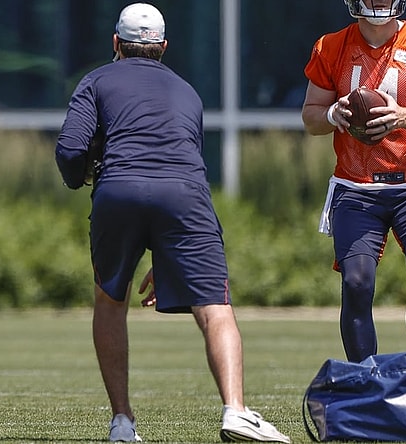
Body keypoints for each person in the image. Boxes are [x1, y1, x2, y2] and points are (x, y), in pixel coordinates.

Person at [55, 4, 291, 443]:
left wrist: (80, 178)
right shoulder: (187, 90)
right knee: (216, 308)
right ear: (163, 47)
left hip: (118, 191)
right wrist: (167, 259)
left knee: (110, 301)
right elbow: (182, 162)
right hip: (185, 195)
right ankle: (235, 410)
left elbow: (70, 151)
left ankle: (123, 423)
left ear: (115, 44)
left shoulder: (96, 80)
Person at [301, 0, 406, 363]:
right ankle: (366, 384)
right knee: (356, 281)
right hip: (356, 186)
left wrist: (402, 116)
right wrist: (333, 113)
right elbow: (311, 117)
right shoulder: (331, 46)